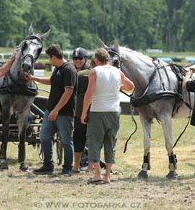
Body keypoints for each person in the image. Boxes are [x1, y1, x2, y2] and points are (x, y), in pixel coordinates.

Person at [81, 48, 134, 184]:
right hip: (114, 112)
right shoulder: (118, 72)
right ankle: (107, 176)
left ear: (97, 60)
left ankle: (97, 174)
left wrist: (83, 112)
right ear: (108, 60)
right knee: (111, 142)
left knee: (94, 142)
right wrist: (118, 87)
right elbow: (130, 86)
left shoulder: (94, 71)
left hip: (98, 111)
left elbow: (89, 93)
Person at [25, 44, 77, 175]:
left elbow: (68, 92)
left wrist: (56, 110)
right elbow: (51, 81)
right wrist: (33, 78)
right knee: (44, 136)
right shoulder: (58, 69)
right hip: (51, 110)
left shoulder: (69, 70)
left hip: (64, 113)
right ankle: (48, 165)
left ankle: (67, 168)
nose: (49, 61)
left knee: (66, 140)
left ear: (53, 57)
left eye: (49, 58)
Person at [73, 55, 95, 173]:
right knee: (94, 140)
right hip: (97, 113)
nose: (77, 60)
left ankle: (76, 165)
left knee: (78, 138)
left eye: (79, 58)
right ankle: (90, 167)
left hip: (79, 111)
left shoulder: (80, 75)